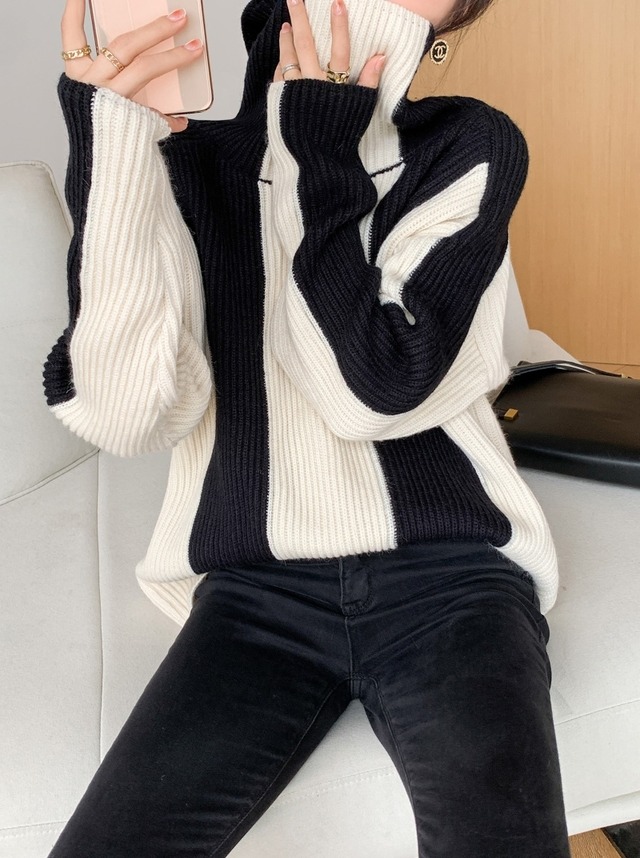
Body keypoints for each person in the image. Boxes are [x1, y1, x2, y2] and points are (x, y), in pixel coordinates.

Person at [43, 0, 572, 855]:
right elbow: (127, 412)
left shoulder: (465, 144)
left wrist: (316, 151)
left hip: (455, 574)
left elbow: (373, 389)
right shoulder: (185, 158)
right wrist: (112, 148)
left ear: (444, 27)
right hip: (255, 590)